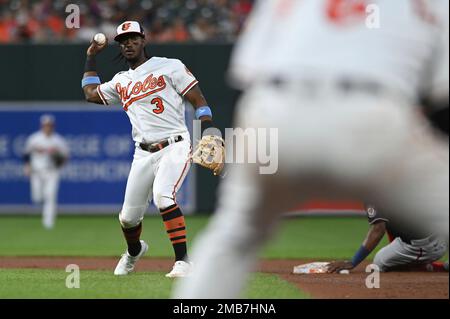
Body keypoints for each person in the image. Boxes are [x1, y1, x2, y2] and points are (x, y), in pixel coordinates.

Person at [173, 0, 449, 298]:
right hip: (372, 114)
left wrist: (245, 161)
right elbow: (441, 105)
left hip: (277, 107)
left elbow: (245, 78)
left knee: (235, 235)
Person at [81, 21, 219, 278]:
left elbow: (199, 101)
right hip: (143, 153)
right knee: (127, 219)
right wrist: (90, 57)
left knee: (163, 197)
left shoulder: (170, 66)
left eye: (133, 38)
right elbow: (90, 93)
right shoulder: (121, 81)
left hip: (175, 145)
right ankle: (134, 251)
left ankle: (183, 261)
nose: (128, 44)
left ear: (143, 40)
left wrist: (209, 130)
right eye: (123, 41)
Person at [327, 206, 448, 273]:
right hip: (441, 237)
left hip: (422, 248)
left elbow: (378, 229)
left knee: (378, 263)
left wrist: (352, 262)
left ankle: (429, 266)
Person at [23, 114, 69, 229]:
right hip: (36, 172)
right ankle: (44, 212)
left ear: (53, 126)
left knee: (50, 196)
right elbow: (26, 154)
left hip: (52, 172)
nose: (47, 127)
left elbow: (65, 156)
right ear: (42, 126)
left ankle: (48, 223)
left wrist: (60, 164)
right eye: (45, 125)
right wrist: (27, 166)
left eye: (49, 125)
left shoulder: (58, 140)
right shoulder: (34, 138)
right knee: (37, 197)